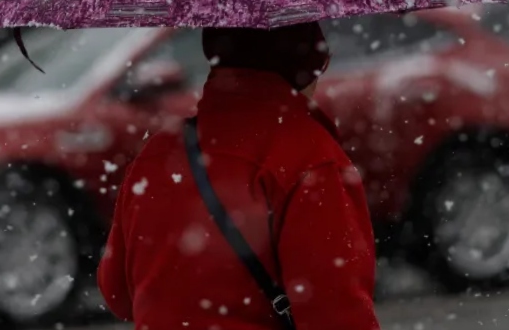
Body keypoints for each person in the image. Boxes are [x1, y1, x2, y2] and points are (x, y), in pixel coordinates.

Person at [97, 22, 381, 330]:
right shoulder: (310, 157)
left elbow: (118, 294)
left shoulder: (159, 152)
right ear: (306, 65)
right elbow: (336, 313)